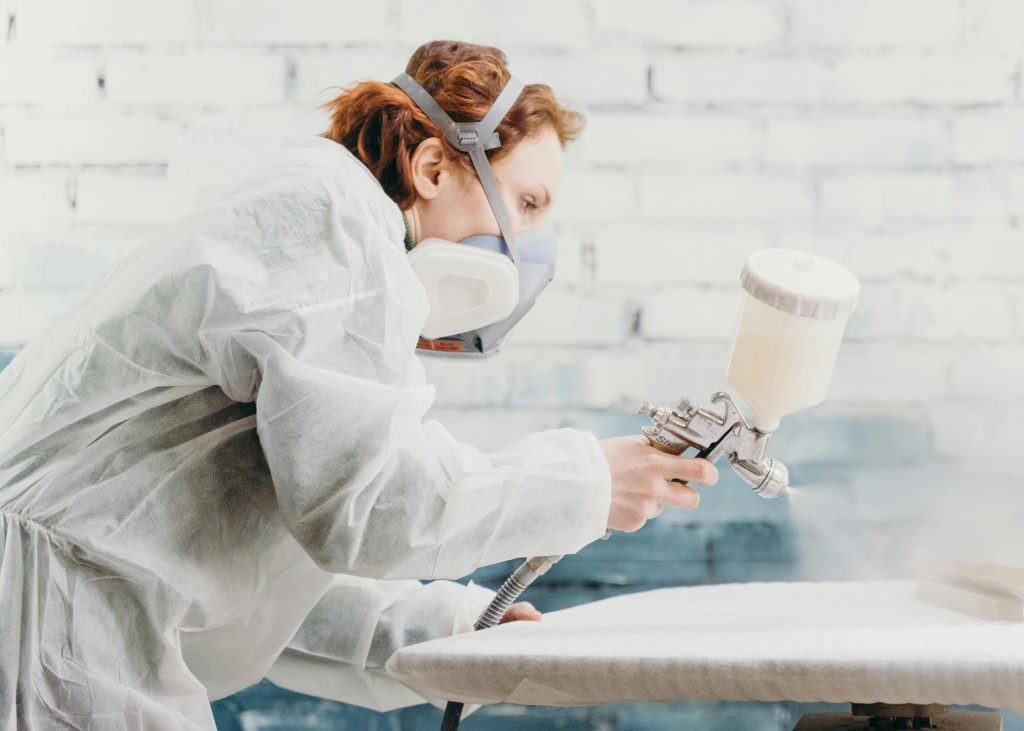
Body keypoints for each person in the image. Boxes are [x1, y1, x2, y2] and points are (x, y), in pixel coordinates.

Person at [0, 40, 718, 729]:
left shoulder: (315, 231)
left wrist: (442, 624)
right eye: (526, 206)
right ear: (435, 167)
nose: (528, 249)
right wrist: (590, 483)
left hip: (69, 615)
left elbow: (258, 560)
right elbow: (370, 512)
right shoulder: (334, 228)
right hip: (52, 627)